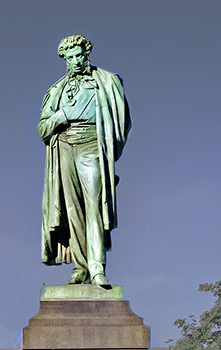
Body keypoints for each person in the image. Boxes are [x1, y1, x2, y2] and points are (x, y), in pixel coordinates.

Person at [38, 33, 131, 287]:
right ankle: (81, 266)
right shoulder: (56, 90)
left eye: (80, 55)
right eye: (71, 57)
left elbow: (123, 122)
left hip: (93, 145)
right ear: (65, 60)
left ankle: (97, 267)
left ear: (86, 54)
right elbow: (43, 129)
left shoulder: (108, 82)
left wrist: (110, 152)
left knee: (94, 208)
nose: (76, 61)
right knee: (73, 211)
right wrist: (62, 116)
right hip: (65, 147)